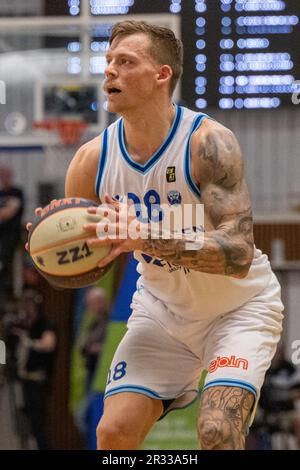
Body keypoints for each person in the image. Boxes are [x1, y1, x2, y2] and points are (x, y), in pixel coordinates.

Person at [29, 20, 284, 450]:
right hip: (162, 314)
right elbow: (85, 272)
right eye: (108, 62)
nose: (109, 71)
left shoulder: (209, 144)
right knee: (113, 434)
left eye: (125, 62)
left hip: (238, 310)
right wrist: (60, 247)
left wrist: (145, 237)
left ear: (161, 74)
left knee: (218, 432)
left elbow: (238, 256)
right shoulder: (91, 162)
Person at [13, 290, 56, 449]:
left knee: (38, 424)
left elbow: (49, 344)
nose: (27, 308)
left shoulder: (44, 324)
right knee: (24, 423)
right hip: (22, 379)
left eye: (30, 304)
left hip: (37, 381)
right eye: (24, 304)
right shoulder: (21, 324)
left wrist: (29, 343)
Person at [0, 166, 24, 308]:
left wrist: (5, 213)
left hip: (13, 236)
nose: (4, 178)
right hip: (2, 235)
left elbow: (9, 213)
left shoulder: (17, 192)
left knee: (11, 264)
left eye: (6, 175)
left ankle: (17, 292)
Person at [79, 287, 109, 392]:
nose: (90, 307)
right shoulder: (92, 323)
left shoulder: (110, 322)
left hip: (104, 371)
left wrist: (101, 348)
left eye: (92, 303)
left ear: (101, 302)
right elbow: (83, 346)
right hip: (91, 368)